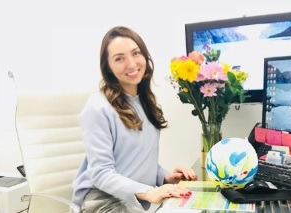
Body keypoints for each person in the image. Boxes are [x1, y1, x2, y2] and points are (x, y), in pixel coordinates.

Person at [72, 26, 198, 213]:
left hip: (131, 200)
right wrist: (148, 191)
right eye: (119, 58)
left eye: (135, 53)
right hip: (102, 200)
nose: (131, 64)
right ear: (108, 67)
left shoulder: (146, 102)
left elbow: (137, 162)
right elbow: (100, 173)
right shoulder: (97, 107)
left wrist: (166, 177)